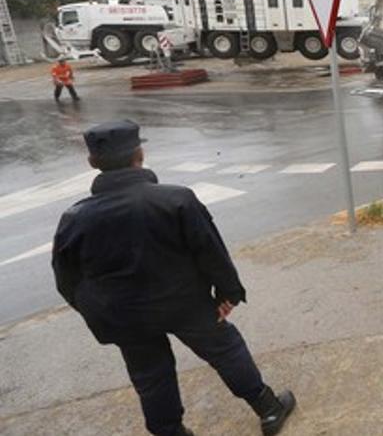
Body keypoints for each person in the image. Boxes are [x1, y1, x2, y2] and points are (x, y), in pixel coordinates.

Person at [51, 120, 295, 436]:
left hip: (124, 315)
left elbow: (66, 279)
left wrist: (97, 309)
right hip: (186, 303)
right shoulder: (176, 199)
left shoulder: (75, 217)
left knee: (150, 375)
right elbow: (210, 251)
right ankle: (269, 410)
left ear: (92, 163)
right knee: (225, 350)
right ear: (139, 153)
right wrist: (228, 293)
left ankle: (170, 432)